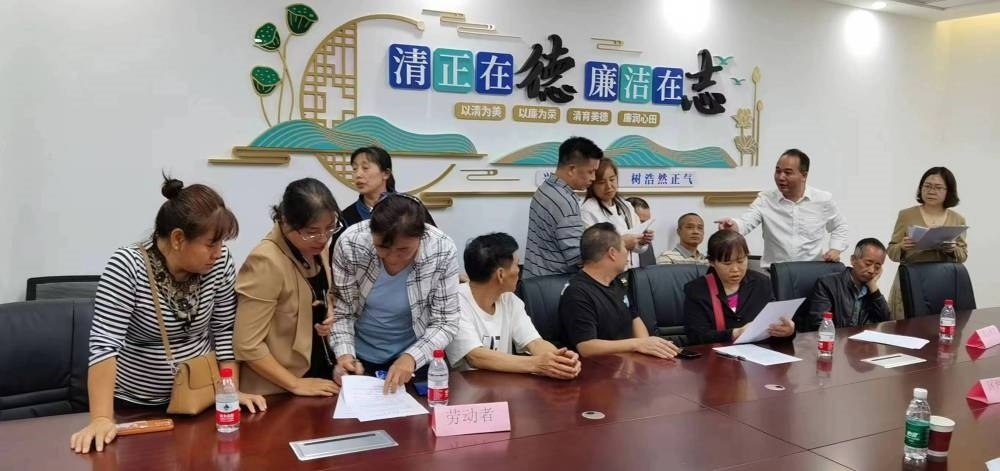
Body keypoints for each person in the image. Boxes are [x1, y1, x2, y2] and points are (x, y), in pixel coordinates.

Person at [70, 176, 266, 454]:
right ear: (177, 239)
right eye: (211, 244)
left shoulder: (220, 264)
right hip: (137, 405)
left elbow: (224, 331)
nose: (219, 252)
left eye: (222, 243)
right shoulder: (127, 267)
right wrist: (101, 418)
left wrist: (228, 392)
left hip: (200, 399)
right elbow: (104, 345)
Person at [329, 193, 460, 394]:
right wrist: (345, 355)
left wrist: (411, 357)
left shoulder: (441, 250)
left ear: (421, 236)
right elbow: (342, 311)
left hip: (417, 353)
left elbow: (445, 321)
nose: (392, 258)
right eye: (382, 247)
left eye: (403, 250)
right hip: (361, 354)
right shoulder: (351, 244)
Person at [233, 178, 346, 397]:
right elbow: (246, 344)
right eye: (312, 231)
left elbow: (321, 292)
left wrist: (329, 311)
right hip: (277, 389)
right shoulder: (265, 261)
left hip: (320, 375)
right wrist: (294, 384)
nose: (323, 238)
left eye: (330, 228)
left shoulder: (317, 247)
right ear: (285, 221)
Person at [445, 233, 581, 379]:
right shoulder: (454, 302)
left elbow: (534, 342)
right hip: (467, 388)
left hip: (505, 385)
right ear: (501, 274)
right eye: (516, 265)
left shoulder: (509, 299)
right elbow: (476, 356)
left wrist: (559, 360)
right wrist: (537, 364)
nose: (519, 270)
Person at [559, 223, 681, 358]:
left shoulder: (616, 281)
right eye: (625, 248)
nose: (627, 254)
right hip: (599, 366)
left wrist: (649, 348)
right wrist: (637, 344)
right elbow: (586, 347)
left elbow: (634, 318)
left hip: (628, 361)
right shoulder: (576, 292)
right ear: (612, 253)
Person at [715, 149, 848, 266]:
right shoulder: (765, 199)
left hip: (811, 273)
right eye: (778, 171)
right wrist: (734, 226)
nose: (781, 177)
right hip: (776, 273)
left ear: (804, 175)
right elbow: (746, 222)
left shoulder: (822, 200)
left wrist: (835, 249)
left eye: (788, 172)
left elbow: (840, 226)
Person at [683, 230, 796, 345]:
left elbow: (772, 325)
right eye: (727, 263)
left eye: (740, 261)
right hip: (716, 354)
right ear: (712, 262)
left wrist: (788, 332)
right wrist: (735, 333)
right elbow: (696, 336)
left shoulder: (761, 283)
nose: (735, 269)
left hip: (758, 352)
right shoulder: (697, 290)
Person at [887, 167, 967, 318]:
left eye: (938, 187)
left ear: (948, 191)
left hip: (943, 281)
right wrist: (902, 247)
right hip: (911, 279)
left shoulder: (957, 219)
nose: (931, 191)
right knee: (906, 327)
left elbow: (963, 255)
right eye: (927, 186)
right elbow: (891, 251)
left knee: (939, 325)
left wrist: (952, 250)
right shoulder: (906, 215)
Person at [523, 137, 603, 279]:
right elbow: (578, 257)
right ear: (572, 169)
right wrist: (618, 245)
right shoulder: (565, 202)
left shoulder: (545, 188)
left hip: (534, 279)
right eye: (590, 171)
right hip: (555, 284)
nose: (593, 178)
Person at [581, 158, 654, 268]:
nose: (609, 186)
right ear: (592, 185)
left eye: (612, 179)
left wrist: (642, 241)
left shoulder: (626, 206)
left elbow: (637, 248)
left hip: (629, 270)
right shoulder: (587, 210)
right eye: (601, 182)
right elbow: (591, 251)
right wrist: (622, 243)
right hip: (605, 272)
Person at [340, 146, 436, 228]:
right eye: (355, 169)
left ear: (386, 173)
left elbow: (434, 241)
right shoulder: (345, 217)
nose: (358, 174)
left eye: (365, 168)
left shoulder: (411, 206)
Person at [806, 238, 891, 330]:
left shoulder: (871, 290)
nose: (872, 271)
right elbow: (820, 325)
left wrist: (873, 287)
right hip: (836, 338)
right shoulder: (826, 284)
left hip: (861, 338)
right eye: (867, 264)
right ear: (853, 260)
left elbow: (886, 322)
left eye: (877, 267)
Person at [626, 196, 657, 267]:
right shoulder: (615, 241)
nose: (645, 227)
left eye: (647, 222)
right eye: (641, 222)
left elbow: (651, 270)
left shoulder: (646, 242)